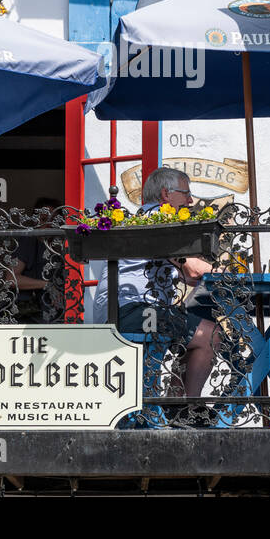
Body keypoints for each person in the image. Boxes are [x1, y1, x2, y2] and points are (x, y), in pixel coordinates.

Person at [91, 167, 219, 399]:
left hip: (118, 309)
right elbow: (193, 269)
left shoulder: (146, 218)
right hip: (133, 310)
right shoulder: (161, 220)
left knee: (193, 327)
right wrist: (234, 272)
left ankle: (175, 403)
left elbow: (188, 276)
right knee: (210, 335)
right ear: (166, 195)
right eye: (186, 193)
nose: (190, 200)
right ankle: (186, 408)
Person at [9, 196, 63, 322]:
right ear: (35, 221)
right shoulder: (28, 241)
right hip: (30, 314)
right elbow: (11, 278)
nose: (48, 225)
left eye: (54, 220)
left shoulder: (60, 244)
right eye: (44, 219)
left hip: (55, 314)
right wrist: (47, 285)